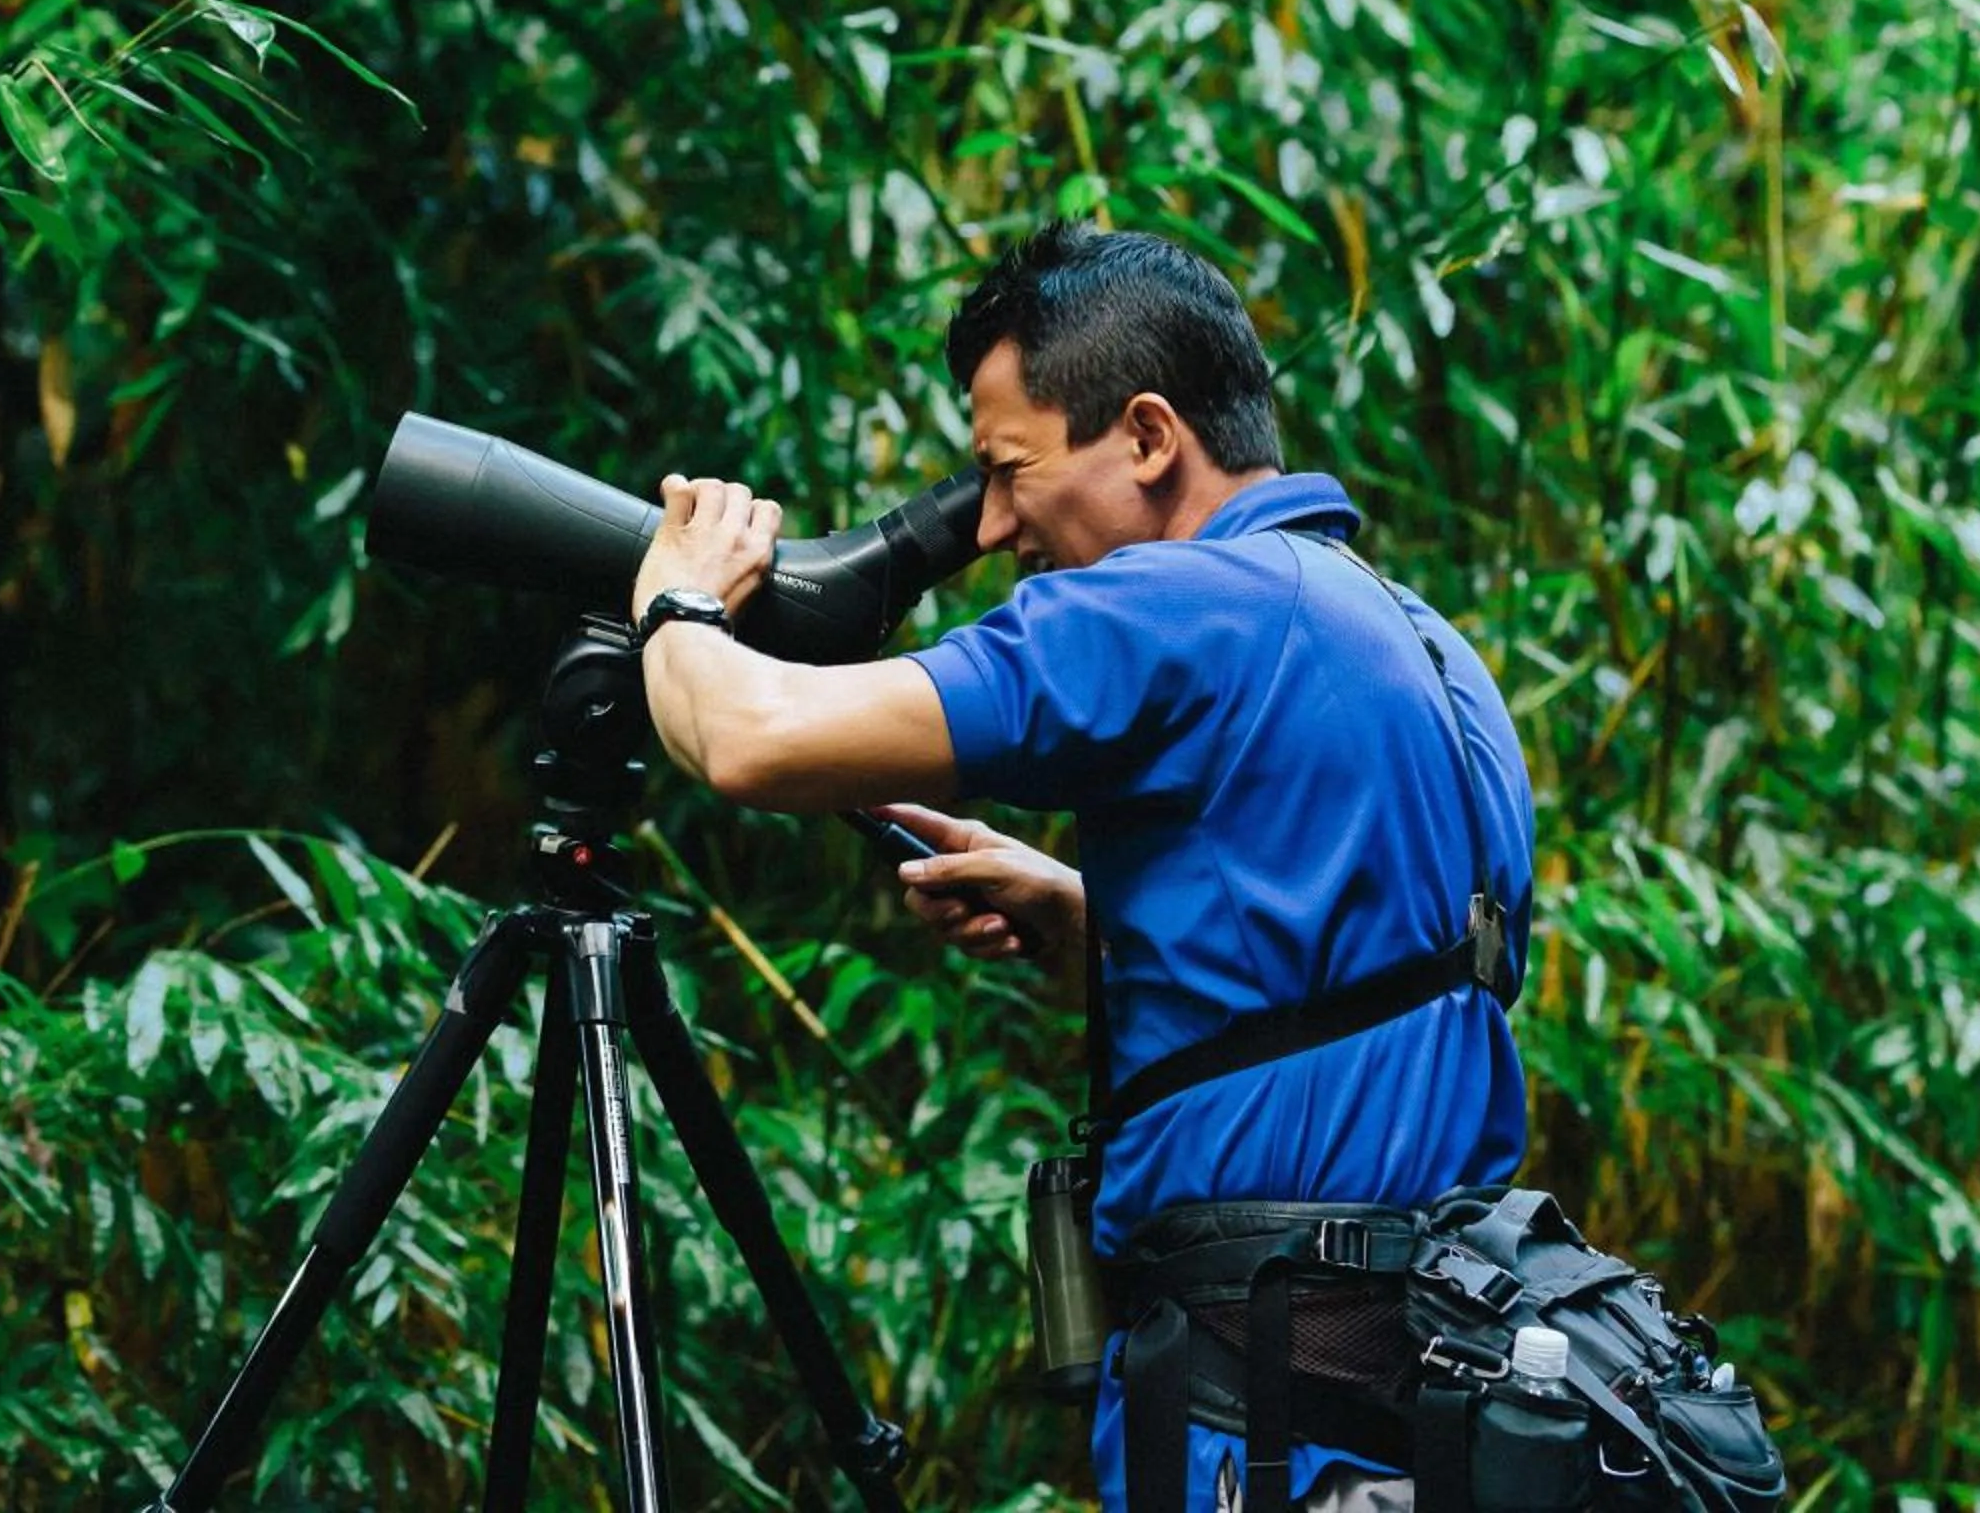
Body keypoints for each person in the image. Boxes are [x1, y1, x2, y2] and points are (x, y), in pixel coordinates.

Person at [626, 219, 1535, 1513]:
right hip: (1427, 1385)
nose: (994, 525)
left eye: (1010, 469)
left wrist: (680, 594)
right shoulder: (1422, 650)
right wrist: (1094, 922)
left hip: (1257, 1407)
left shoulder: (1175, 605)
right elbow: (1373, 983)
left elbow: (750, 740)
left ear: (1152, 438)